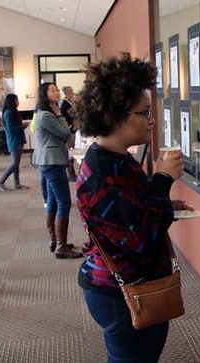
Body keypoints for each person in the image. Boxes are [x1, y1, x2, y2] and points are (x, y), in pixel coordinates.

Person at [75, 55, 191, 363]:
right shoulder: (104, 172)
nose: (151, 120)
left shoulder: (113, 158)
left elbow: (131, 212)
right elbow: (140, 236)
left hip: (125, 283)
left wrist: (163, 201)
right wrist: (164, 179)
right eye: (144, 112)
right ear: (115, 116)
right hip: (121, 291)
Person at [32, 82, 82, 259]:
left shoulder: (46, 113)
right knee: (63, 203)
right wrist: (60, 113)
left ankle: (55, 240)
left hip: (50, 160)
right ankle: (61, 246)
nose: (56, 92)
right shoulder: (46, 115)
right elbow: (65, 133)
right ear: (45, 95)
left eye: (56, 89)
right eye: (52, 90)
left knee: (53, 201)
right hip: (51, 161)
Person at [0, 94, 29, 191]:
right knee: (14, 163)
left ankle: (17, 183)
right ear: (12, 101)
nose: (18, 102)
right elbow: (11, 129)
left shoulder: (12, 112)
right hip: (14, 140)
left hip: (17, 139)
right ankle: (0, 181)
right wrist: (22, 126)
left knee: (16, 163)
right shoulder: (9, 113)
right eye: (16, 100)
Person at [60, 85, 78, 181]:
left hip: (73, 129)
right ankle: (70, 174)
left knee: (72, 150)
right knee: (69, 152)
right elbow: (73, 114)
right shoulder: (65, 104)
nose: (73, 93)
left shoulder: (71, 103)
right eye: (70, 91)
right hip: (68, 130)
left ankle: (73, 173)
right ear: (67, 93)